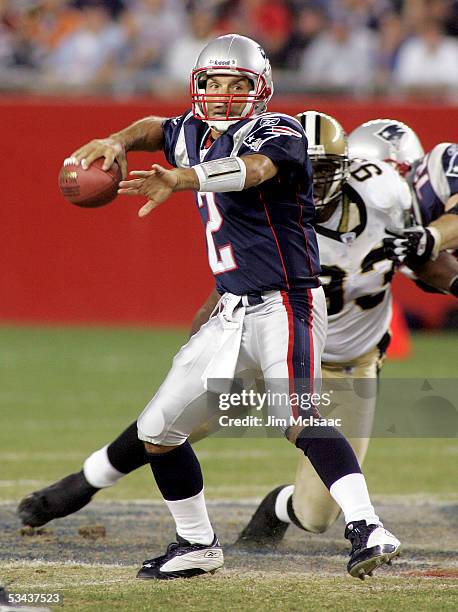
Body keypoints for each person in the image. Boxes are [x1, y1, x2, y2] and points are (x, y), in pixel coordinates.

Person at [18, 35, 401, 581]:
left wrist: (182, 177)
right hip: (231, 311)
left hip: (285, 302)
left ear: (260, 89)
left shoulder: (279, 131)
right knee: (157, 431)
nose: (223, 95)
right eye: (213, 83)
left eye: (237, 84)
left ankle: (368, 527)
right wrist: (118, 139)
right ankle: (196, 543)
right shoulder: (194, 131)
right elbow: (158, 127)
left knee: (297, 417)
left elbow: (253, 171)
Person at [235, 115, 458, 548]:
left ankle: (283, 506)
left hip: (352, 363)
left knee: (317, 515)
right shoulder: (293, 215)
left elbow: (431, 254)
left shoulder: (415, 186)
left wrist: (427, 240)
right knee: (189, 416)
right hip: (295, 351)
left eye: (397, 176)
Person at [348, 119, 458, 293]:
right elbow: (449, 279)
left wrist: (431, 237)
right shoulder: (391, 230)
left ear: (399, 168)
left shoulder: (438, 165)